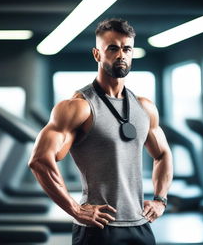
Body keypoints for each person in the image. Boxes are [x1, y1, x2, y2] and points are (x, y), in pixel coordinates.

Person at [28, 18, 173, 245]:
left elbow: (163, 154)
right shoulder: (78, 107)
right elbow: (39, 160)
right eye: (113, 48)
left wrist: (160, 200)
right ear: (97, 54)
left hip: (140, 226)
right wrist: (75, 209)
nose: (121, 55)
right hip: (98, 228)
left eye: (127, 49)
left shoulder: (144, 107)